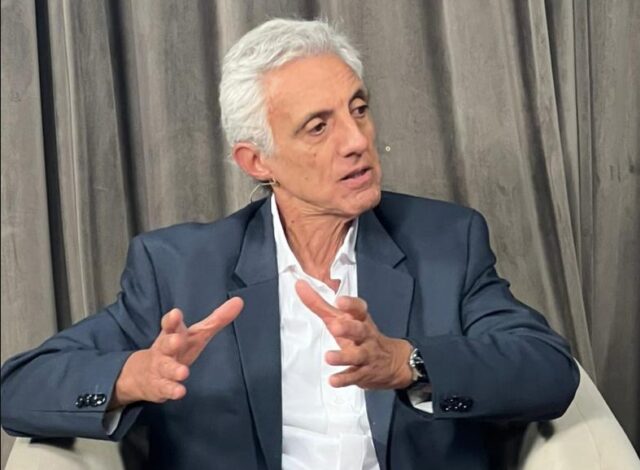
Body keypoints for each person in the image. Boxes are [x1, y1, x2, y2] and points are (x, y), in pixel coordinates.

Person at [1, 18, 579, 470]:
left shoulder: (446, 241)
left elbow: (550, 372)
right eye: (318, 126)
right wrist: (132, 376)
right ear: (258, 161)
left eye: (358, 109)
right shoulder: (179, 269)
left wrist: (406, 363)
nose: (356, 141)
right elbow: (18, 388)